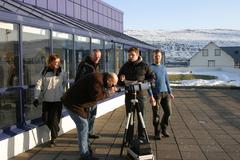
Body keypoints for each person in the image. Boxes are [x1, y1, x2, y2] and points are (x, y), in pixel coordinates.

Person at [61, 72, 118, 160]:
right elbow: (96, 96)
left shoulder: (102, 78)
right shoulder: (97, 80)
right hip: (72, 103)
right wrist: (108, 93)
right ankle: (84, 155)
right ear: (109, 80)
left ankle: (86, 150)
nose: (113, 86)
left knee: (85, 126)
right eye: (113, 84)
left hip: (79, 103)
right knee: (83, 126)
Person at [118, 47, 155, 141]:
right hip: (129, 95)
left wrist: (143, 83)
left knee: (140, 116)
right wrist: (121, 79)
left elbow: (153, 79)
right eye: (129, 55)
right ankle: (129, 139)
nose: (130, 56)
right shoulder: (125, 66)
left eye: (132, 55)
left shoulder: (145, 66)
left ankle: (141, 137)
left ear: (138, 55)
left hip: (140, 95)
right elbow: (119, 80)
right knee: (130, 118)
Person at [33, 54, 67, 147]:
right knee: (45, 119)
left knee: (55, 120)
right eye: (55, 62)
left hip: (58, 101)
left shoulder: (62, 72)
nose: (57, 64)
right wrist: (36, 97)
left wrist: (62, 93)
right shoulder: (44, 72)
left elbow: (64, 83)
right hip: (46, 100)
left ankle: (53, 139)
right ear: (50, 62)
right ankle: (55, 129)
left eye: (58, 62)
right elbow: (38, 85)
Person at [75, 49, 101, 139]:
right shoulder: (84, 65)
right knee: (86, 115)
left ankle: (90, 132)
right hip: (86, 95)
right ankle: (85, 135)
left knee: (93, 115)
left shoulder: (96, 65)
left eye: (99, 56)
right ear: (91, 55)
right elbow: (78, 79)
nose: (97, 58)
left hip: (94, 95)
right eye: (96, 56)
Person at [151, 49, 174, 140]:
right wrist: (151, 95)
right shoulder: (150, 68)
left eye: (159, 56)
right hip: (156, 94)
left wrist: (170, 92)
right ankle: (157, 132)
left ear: (161, 57)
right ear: (153, 57)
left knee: (168, 112)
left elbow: (167, 81)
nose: (157, 57)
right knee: (156, 114)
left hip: (165, 93)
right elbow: (149, 83)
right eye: (156, 56)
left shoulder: (163, 67)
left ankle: (163, 129)